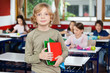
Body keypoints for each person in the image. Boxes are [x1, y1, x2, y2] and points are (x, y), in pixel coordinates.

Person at [25, 3, 68, 73]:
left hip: (55, 70)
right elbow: (27, 58)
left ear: (51, 17)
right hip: (37, 71)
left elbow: (65, 51)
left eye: (46, 14)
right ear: (35, 18)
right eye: (39, 14)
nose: (43, 17)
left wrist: (61, 57)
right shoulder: (31, 35)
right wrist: (40, 56)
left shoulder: (56, 33)